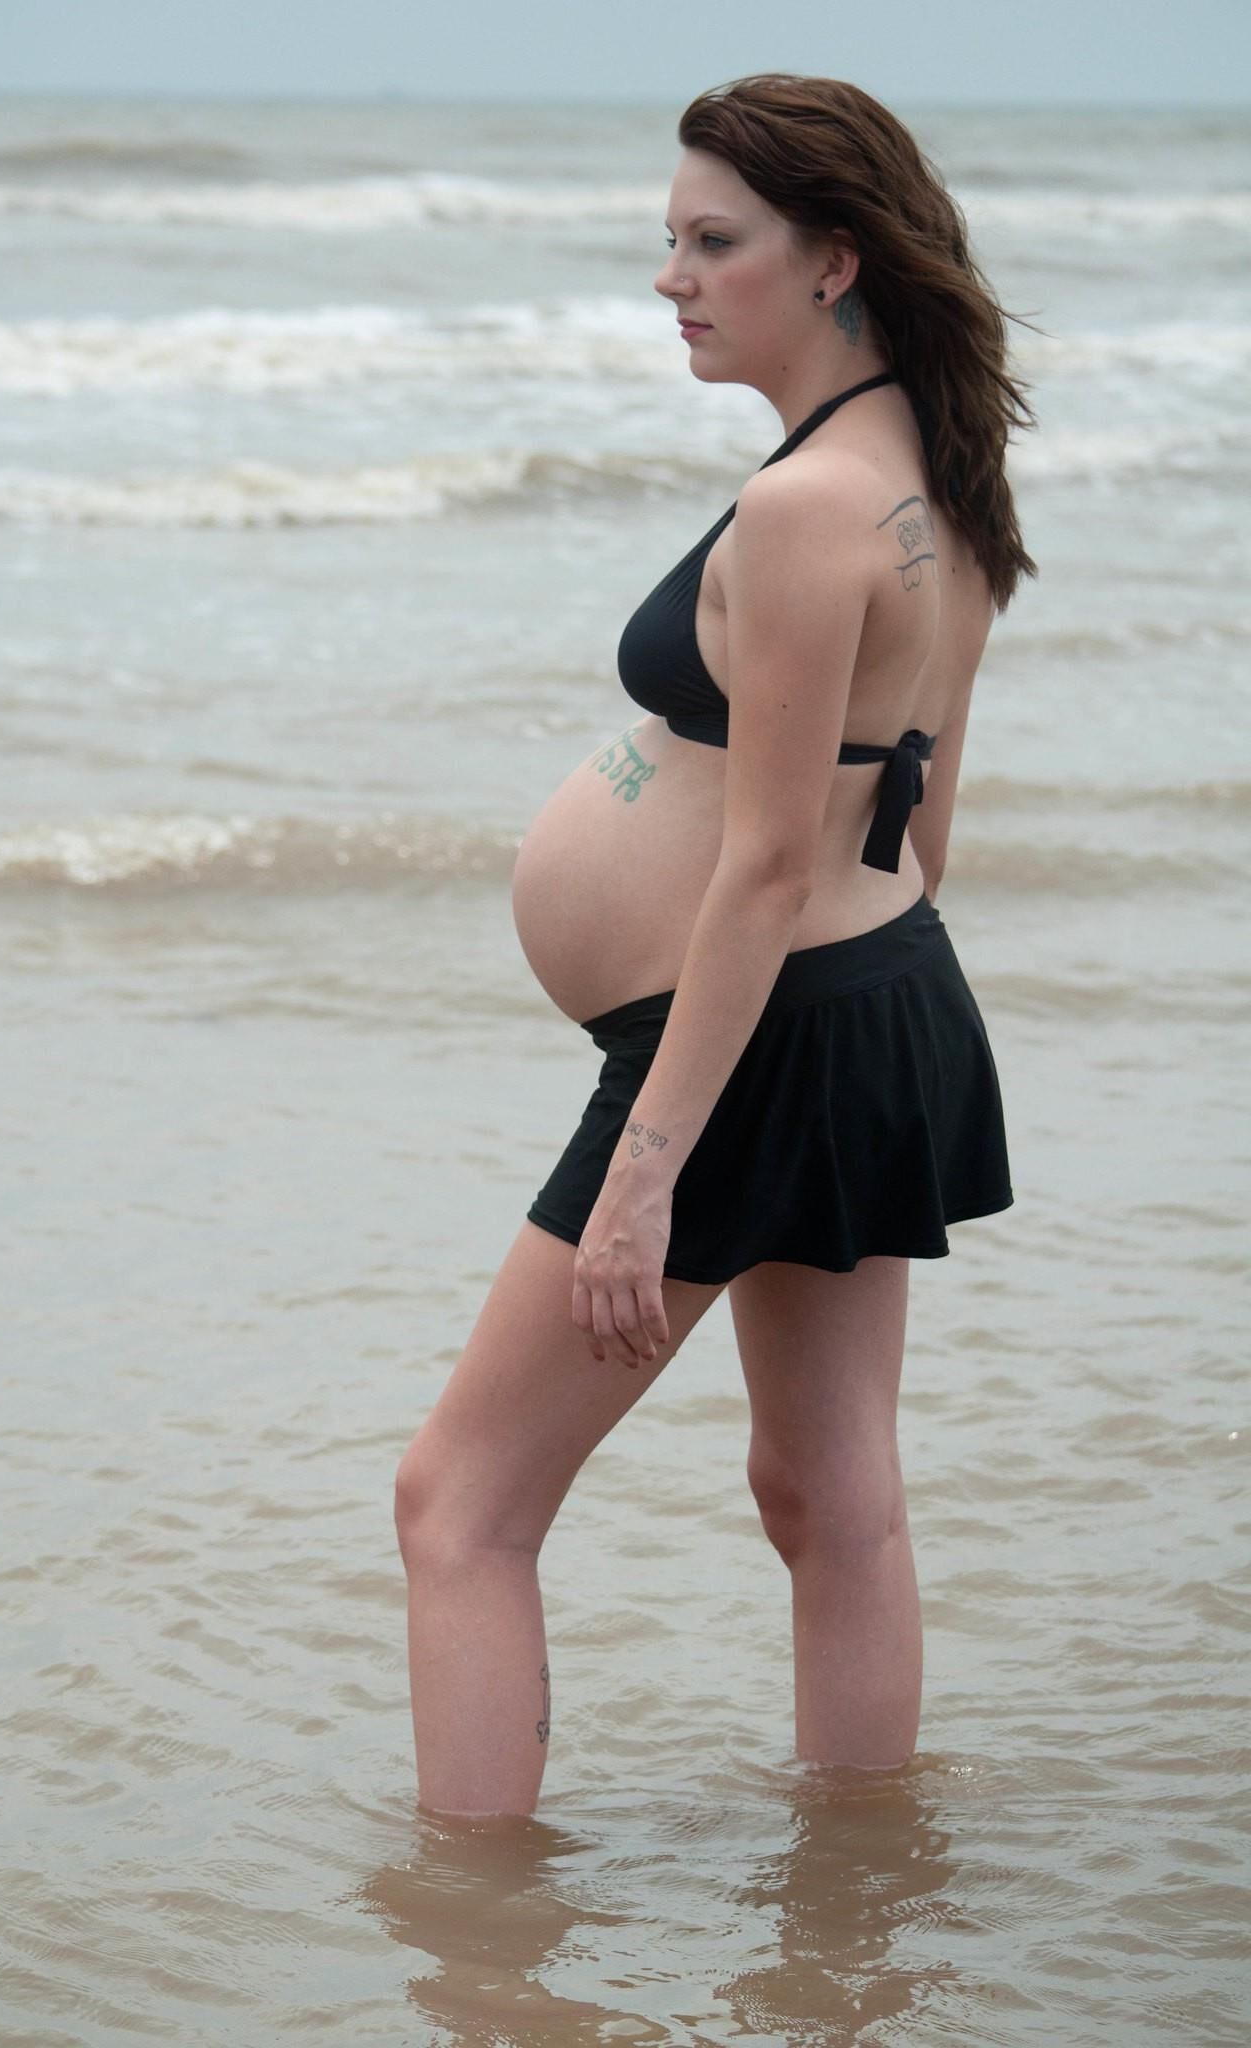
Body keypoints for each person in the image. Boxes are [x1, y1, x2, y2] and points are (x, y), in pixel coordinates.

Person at [394, 73, 1036, 1819]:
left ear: (832, 259)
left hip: (755, 1025)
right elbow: (923, 813)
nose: (672, 276)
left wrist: (649, 1168)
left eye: (712, 242)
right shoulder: (935, 469)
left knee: (459, 1505)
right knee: (834, 1497)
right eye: (668, 240)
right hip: (873, 992)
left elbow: (757, 874)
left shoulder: (812, 508)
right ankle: (855, 1898)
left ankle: (478, 1940)